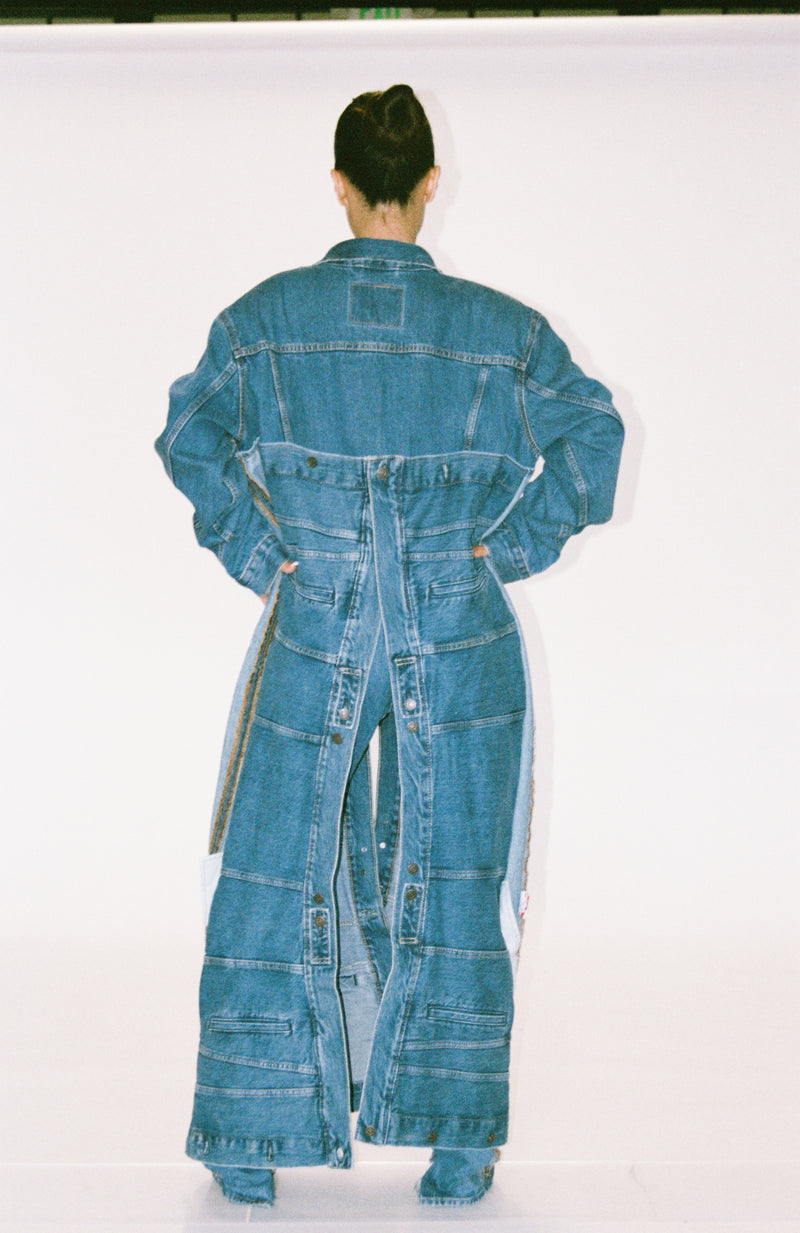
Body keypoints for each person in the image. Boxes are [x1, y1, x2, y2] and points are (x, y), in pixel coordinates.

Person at [155, 85, 624, 1208]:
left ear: (338, 184)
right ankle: (456, 1147)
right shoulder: (503, 332)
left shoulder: (265, 321)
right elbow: (594, 434)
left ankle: (249, 1138)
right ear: (426, 186)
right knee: (458, 869)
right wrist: (504, 547)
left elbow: (187, 434)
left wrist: (259, 548)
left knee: (272, 866)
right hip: (456, 626)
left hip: (313, 616)